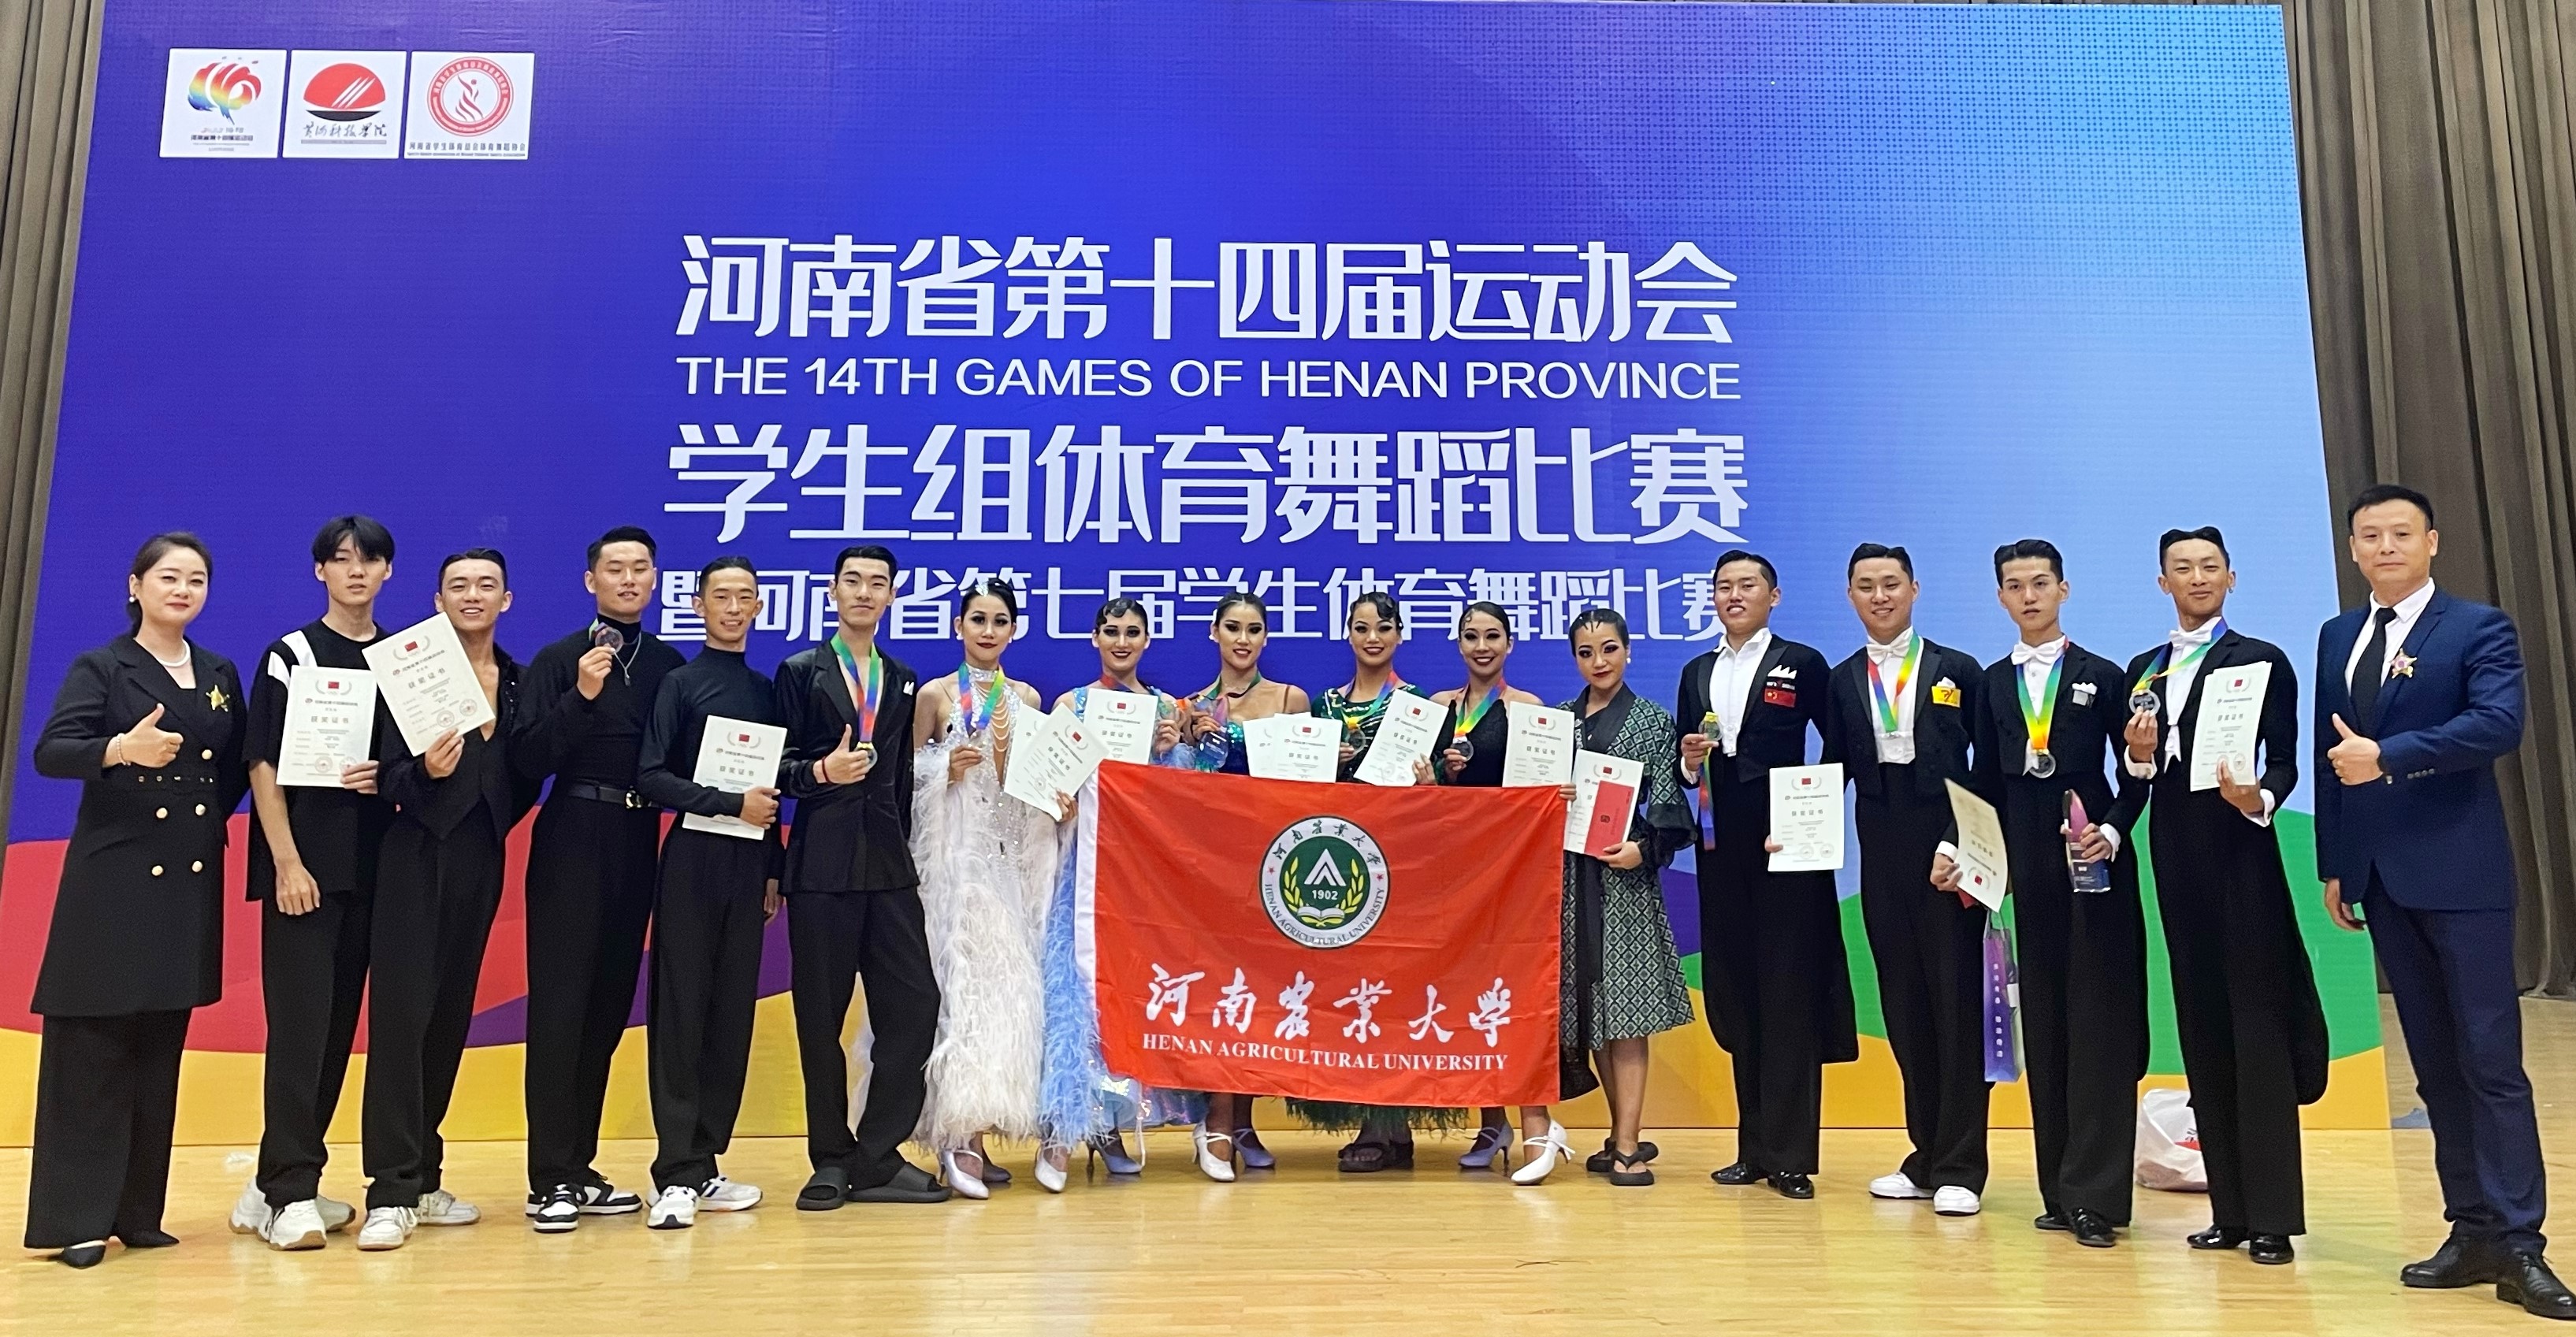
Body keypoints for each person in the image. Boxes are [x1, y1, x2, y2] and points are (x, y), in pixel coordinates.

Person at [2315, 485, 2567, 1317]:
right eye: (2369, 535)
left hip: (2462, 876)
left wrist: (2390, 754)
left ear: (2431, 541)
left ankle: (2522, 1243)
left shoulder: (2476, 627)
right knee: (2432, 1067)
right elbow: (2329, 755)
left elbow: (2497, 724)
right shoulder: (2338, 634)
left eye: (2400, 532)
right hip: (2380, 880)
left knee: (2490, 1063)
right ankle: (2471, 1228)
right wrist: (2335, 863)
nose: (2384, 546)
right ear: (2353, 548)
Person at [23, 533, 246, 1268]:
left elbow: (233, 768)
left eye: (196, 579)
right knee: (92, 1050)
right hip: (114, 882)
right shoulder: (103, 666)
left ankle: (136, 1212)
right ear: (136, 586)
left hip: (186, 880)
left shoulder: (218, 672)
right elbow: (53, 751)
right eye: (169, 577)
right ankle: (76, 1220)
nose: (182, 590)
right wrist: (120, 749)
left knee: (158, 1048)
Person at [2116, 526, 2325, 1265]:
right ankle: (2229, 1211)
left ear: (2230, 577)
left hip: (2241, 852)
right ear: (2162, 582)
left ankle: (2272, 1217)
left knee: (2257, 1028)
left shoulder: (2260, 659)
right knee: (2201, 1026)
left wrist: (2257, 796)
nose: (2197, 577)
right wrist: (2138, 756)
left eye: (2210, 566)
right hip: (2174, 857)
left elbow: (2285, 759)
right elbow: (2136, 776)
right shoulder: (2142, 671)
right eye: (2182, 567)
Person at [1934, 539, 2146, 1248]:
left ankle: (2097, 1197)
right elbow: (1982, 783)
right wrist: (1956, 850)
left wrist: (2111, 831)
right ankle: (2058, 1189)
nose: (2029, 596)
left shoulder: (2104, 676)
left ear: (2063, 589)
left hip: (2092, 867)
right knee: (2047, 1024)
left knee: (2097, 1025)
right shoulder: (1992, 683)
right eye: (2015, 585)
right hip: (2023, 875)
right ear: (2000, 596)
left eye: (2040, 583)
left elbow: (2135, 774)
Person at [358, 549, 536, 1251]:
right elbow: (379, 773)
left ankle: (424, 1178)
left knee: (448, 1016)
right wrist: (424, 773)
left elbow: (525, 770)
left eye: (486, 585)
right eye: (458, 585)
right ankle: (389, 1189)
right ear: (437, 600)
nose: (472, 595)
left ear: (506, 599)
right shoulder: (406, 672)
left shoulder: (519, 680)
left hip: (480, 858)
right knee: (402, 1019)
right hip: (414, 853)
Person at [229, 517, 400, 1250]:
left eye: (370, 559)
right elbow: (261, 764)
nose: (356, 571)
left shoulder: (403, 658)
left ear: (388, 571)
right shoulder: (290, 654)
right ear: (319, 571)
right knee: (299, 1031)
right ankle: (289, 1192)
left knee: (334, 1035)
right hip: (305, 869)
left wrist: (391, 775)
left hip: (377, 872)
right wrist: (288, 861)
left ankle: (276, 1182)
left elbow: (419, 763)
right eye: (341, 559)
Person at [511, 525, 684, 1230]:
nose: (628, 579)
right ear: (591, 581)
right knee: (561, 1009)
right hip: (573, 837)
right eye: (615, 569)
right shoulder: (559, 659)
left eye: (640, 568)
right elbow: (526, 759)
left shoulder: (669, 664)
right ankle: (548, 1177)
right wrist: (581, 696)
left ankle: (578, 1167)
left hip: (639, 839)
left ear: (654, 580)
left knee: (607, 1010)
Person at [1819, 543, 1991, 1216]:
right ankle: (1925, 1153)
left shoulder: (1957, 669)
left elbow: (1984, 767)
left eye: (1890, 583)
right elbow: (1831, 768)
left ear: (1914, 589)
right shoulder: (1841, 679)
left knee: (1955, 1005)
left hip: (1948, 852)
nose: (1879, 596)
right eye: (1865, 585)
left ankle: (1963, 1165)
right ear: (1850, 596)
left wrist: (1957, 842)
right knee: (1904, 1005)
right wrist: (1797, 830)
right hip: (1880, 853)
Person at [776, 544, 950, 1206]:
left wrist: (905, 849)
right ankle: (829, 1155)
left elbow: (901, 777)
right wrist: (820, 772)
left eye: (878, 583)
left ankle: (876, 1153)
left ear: (891, 596)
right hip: (820, 865)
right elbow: (776, 767)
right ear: (832, 591)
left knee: (915, 1005)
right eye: (853, 581)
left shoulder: (901, 678)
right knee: (819, 1017)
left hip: (887, 866)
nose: (864, 592)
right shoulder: (800, 671)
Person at [1675, 550, 1848, 1200]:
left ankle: (1791, 1155)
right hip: (1719, 848)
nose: (1734, 595)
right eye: (1723, 586)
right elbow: (1682, 763)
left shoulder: (1802, 663)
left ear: (1772, 596)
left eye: (1747, 585)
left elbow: (1838, 746)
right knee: (1737, 992)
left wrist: (1810, 820)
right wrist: (1690, 762)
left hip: (1786, 849)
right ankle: (1752, 1148)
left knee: (1788, 994)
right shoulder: (1697, 671)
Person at [631, 557, 786, 1229]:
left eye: (744, 596)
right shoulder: (680, 684)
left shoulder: (767, 690)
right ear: (698, 605)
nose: (732, 607)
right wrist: (727, 802)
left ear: (758, 607)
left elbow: (775, 789)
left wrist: (775, 865)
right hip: (692, 859)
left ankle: (706, 1162)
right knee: (682, 1010)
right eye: (720, 595)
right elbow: (650, 775)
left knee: (729, 1014)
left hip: (749, 865)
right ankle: (674, 1171)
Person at [1522, 607, 1695, 1188]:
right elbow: (1531, 795)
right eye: (1585, 652)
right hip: (1569, 883)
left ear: (1628, 651)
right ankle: (1619, 1133)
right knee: (1592, 1011)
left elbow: (1669, 801)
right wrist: (1551, 796)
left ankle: (1627, 1145)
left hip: (1623, 880)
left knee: (1628, 1014)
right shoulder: (1558, 723)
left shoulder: (1651, 721)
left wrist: (1644, 849)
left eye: (1609, 649)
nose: (1598, 662)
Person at [909, 578, 1061, 1200]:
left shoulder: (1026, 697)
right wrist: (939, 769)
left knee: (1007, 995)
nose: (988, 630)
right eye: (978, 619)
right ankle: (957, 1134)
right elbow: (904, 775)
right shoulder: (935, 694)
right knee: (961, 994)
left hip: (1009, 860)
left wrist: (1058, 801)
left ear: (1013, 629)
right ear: (958, 626)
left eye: (1000, 620)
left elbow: (1034, 777)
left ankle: (982, 1129)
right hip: (954, 862)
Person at [1039, 597, 1191, 1184]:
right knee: (1074, 995)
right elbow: (1045, 792)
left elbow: (1178, 808)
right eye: (1111, 632)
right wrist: (1063, 801)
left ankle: (1110, 1127)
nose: (1122, 641)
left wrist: (1169, 754)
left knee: (1127, 996)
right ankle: (1060, 1132)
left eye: (1132, 632)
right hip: (1080, 867)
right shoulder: (1070, 705)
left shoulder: (1165, 710)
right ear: (1094, 639)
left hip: (1138, 879)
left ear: (1147, 641)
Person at [1294, 592, 1448, 1173]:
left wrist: (1429, 781)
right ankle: (1372, 1123)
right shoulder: (1324, 705)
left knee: (1393, 990)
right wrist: (1327, 764)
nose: (1373, 638)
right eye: (1361, 628)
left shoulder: (1419, 706)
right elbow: (1304, 788)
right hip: (1339, 865)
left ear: (1400, 633)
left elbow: (1440, 799)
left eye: (1384, 627)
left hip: (1401, 863)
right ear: (1348, 635)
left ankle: (1389, 1125)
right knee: (1348, 991)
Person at [1174, 589, 1311, 1179]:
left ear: (1265, 638)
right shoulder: (1189, 706)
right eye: (1232, 627)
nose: (1243, 639)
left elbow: (1309, 783)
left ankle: (1244, 1120)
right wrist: (1185, 742)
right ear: (1214, 632)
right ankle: (1216, 1119)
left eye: (1254, 629)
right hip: (1210, 866)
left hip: (1273, 863)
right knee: (1217, 991)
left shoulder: (1290, 699)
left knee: (1260, 993)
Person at [1428, 603, 1554, 1175]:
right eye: (1471, 636)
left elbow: (1541, 788)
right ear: (1458, 644)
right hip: (1451, 871)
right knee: (1467, 995)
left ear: (1509, 644)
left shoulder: (1528, 708)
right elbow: (1416, 793)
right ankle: (1491, 1120)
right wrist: (1434, 776)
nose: (1482, 646)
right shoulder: (1436, 708)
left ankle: (1536, 1125)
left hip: (1511, 871)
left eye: (1493, 636)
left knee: (1512, 991)